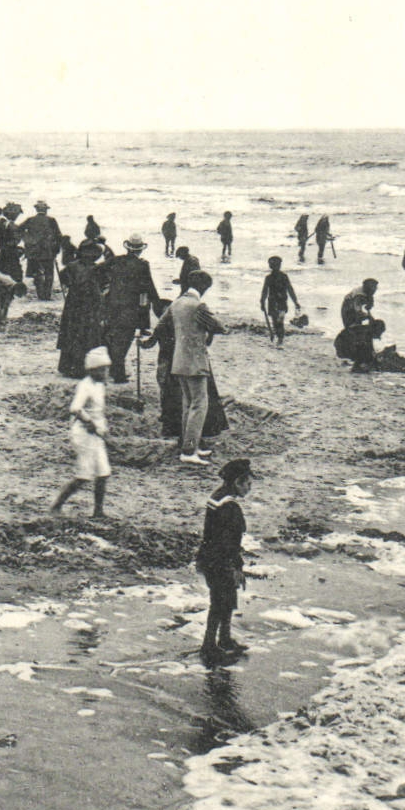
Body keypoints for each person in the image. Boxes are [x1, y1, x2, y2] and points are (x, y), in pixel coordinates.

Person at [156, 269, 226, 465]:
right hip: (195, 361)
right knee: (199, 405)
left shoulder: (176, 303)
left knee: (188, 404)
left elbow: (160, 326)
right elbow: (220, 326)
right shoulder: (198, 305)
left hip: (178, 360)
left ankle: (188, 445)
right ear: (203, 287)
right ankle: (189, 451)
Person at [197, 458, 253, 664]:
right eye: (247, 484)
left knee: (223, 598)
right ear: (237, 482)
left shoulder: (217, 497)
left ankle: (223, 639)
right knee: (221, 602)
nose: (249, 489)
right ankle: (210, 645)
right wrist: (237, 567)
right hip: (221, 560)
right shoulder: (231, 508)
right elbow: (230, 542)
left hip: (208, 557)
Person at [50, 346, 112, 518]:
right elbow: (75, 408)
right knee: (84, 475)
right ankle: (56, 505)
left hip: (96, 434)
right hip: (84, 435)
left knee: (103, 472)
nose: (106, 372)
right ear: (92, 370)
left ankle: (98, 511)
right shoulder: (85, 386)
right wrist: (89, 422)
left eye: (107, 369)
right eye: (102, 369)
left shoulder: (99, 385)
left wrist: (102, 428)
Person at [102, 234, 161, 382]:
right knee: (124, 340)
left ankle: (114, 370)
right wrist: (158, 303)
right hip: (130, 308)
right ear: (140, 250)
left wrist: (106, 289)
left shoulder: (116, 260)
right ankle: (118, 374)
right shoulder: (142, 265)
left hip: (112, 306)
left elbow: (98, 271)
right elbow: (149, 286)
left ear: (127, 248)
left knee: (113, 337)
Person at [57, 240, 109, 378]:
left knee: (73, 334)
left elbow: (63, 278)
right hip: (87, 305)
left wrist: (71, 285)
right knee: (86, 335)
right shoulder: (96, 268)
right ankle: (80, 368)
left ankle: (69, 366)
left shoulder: (72, 266)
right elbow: (104, 285)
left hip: (75, 305)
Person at [21, 200, 64, 300]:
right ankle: (47, 295)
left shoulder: (30, 220)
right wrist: (56, 249)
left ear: (36, 209)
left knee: (37, 273)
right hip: (48, 251)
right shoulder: (51, 220)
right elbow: (59, 236)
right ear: (46, 210)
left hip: (34, 252)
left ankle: (40, 295)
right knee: (49, 273)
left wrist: (28, 241)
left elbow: (18, 230)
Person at [259, 256, 301, 346]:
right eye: (274, 265)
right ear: (271, 266)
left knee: (280, 320)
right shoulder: (269, 278)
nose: (277, 267)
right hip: (272, 302)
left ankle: (280, 338)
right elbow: (265, 291)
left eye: (278, 265)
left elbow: (290, 289)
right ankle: (279, 337)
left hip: (282, 302)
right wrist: (262, 302)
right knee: (275, 321)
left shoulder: (283, 277)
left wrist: (295, 302)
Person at [0, 203, 26, 291]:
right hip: (10, 250)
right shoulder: (7, 223)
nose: (17, 216)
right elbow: (15, 236)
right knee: (14, 270)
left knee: (2, 268)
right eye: (16, 214)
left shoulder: (3, 222)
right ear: (11, 214)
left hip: (5, 249)